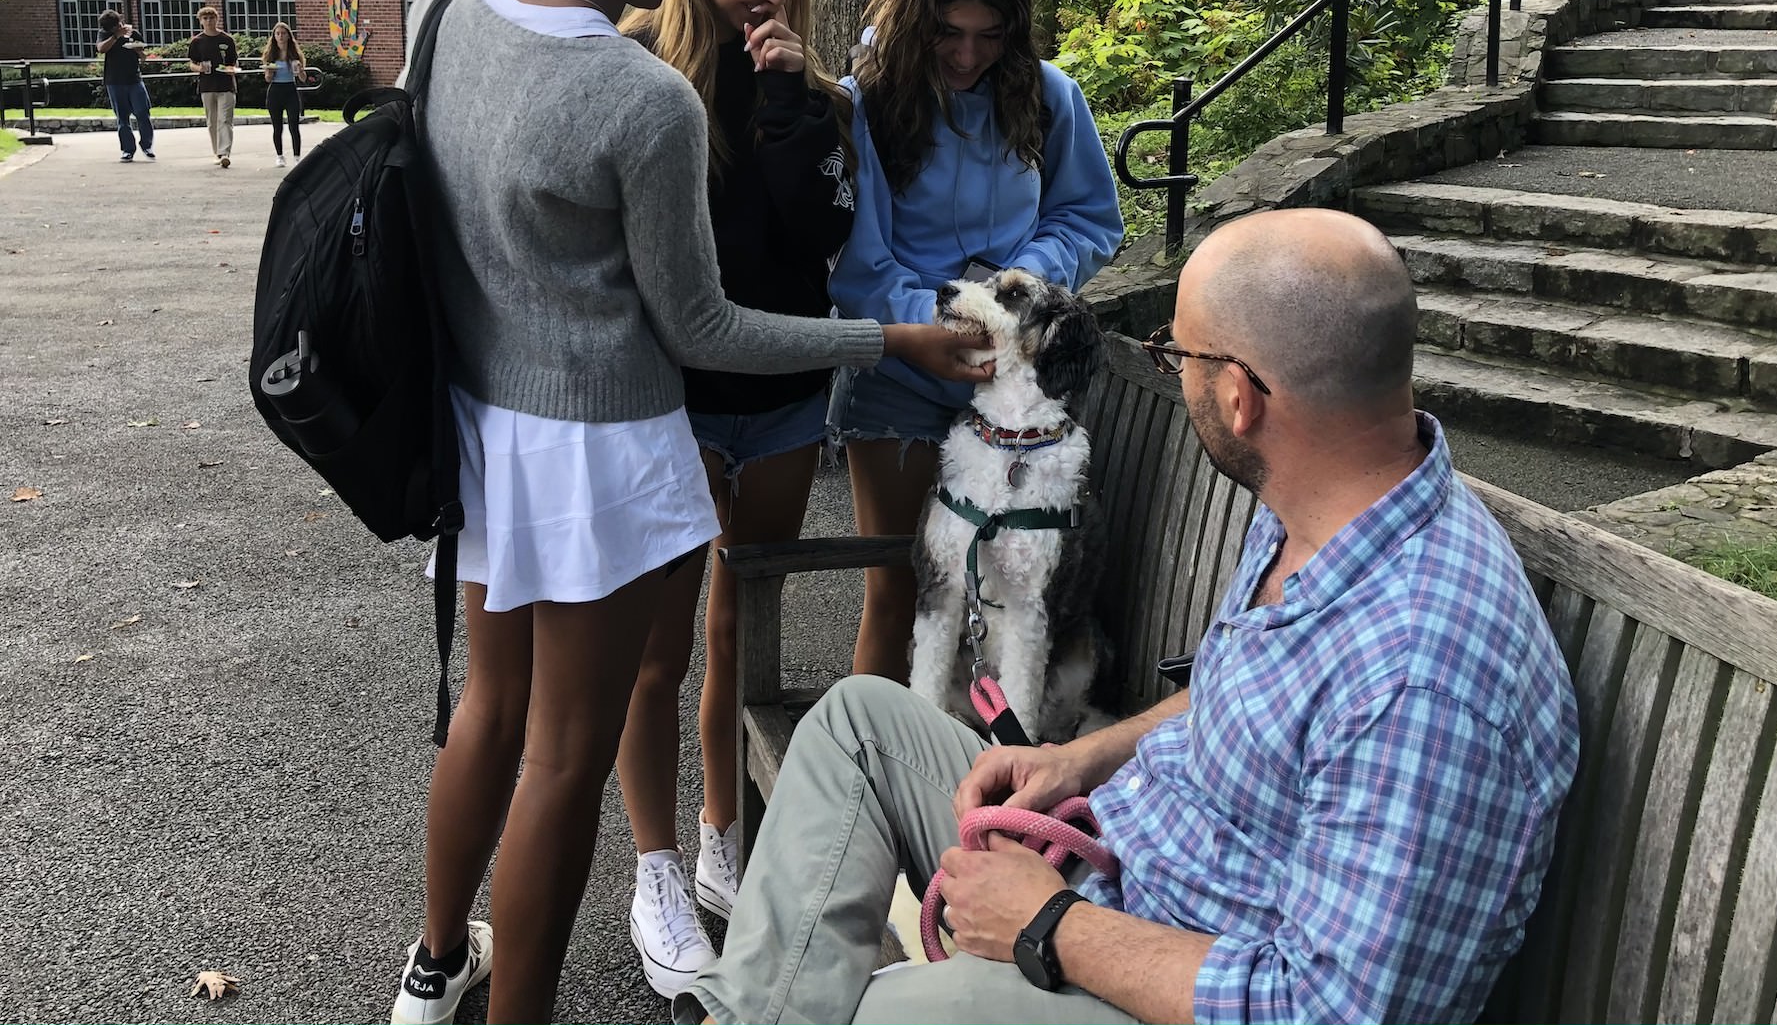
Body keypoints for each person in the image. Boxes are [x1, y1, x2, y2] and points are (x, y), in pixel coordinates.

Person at [388, 0, 994, 1025]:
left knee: (489, 713)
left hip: (486, 431)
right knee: (565, 752)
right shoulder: (640, 97)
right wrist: (885, 338)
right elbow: (701, 326)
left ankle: (436, 965)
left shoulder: (444, 15)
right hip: (601, 450)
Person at [676, 208, 1582, 1025]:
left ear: (1239, 396)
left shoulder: (1422, 676)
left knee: (869, 1013)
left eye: (1176, 355)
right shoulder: (1321, 509)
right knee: (855, 726)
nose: (1170, 371)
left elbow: (1330, 1008)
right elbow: (1245, 697)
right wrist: (1080, 756)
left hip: (1153, 976)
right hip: (1118, 866)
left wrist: (1050, 926)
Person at [613, 0, 851, 995]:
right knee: (652, 648)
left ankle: (718, 833)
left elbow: (818, 241)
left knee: (736, 629)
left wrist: (785, 102)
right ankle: (654, 869)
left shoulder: (802, 90)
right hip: (675, 405)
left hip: (784, 398)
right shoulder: (634, 70)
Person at [829, 0, 1123, 681]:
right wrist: (927, 325)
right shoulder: (869, 103)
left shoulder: (1051, 96)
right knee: (902, 590)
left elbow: (1090, 218)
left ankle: (980, 781)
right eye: (948, 32)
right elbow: (859, 261)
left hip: (1015, 388)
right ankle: (885, 774)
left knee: (1014, 592)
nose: (967, 56)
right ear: (916, 14)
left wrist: (1014, 286)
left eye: (989, 36)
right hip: (900, 378)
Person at [96, 9, 154, 162]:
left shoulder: (133, 33)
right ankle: (128, 150)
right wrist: (116, 36)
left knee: (143, 112)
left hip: (134, 79)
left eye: (116, 26)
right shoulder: (106, 34)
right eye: (112, 29)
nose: (116, 28)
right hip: (114, 81)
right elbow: (101, 48)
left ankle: (147, 145)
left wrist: (137, 50)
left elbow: (144, 57)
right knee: (122, 118)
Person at [186, 5, 238, 168]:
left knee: (225, 119)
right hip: (207, 86)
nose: (209, 21)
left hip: (226, 85)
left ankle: (224, 152)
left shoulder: (227, 39)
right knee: (212, 121)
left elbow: (233, 62)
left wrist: (231, 70)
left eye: (211, 18)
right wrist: (199, 68)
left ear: (217, 19)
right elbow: (191, 64)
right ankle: (216, 152)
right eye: (205, 18)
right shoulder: (197, 41)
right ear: (201, 21)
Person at [263, 20, 305, 168]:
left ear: (288, 36)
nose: (280, 36)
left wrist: (300, 70)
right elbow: (267, 79)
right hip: (275, 91)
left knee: (294, 124)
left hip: (290, 90)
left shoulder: (294, 54)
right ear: (274, 36)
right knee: (277, 126)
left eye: (283, 33)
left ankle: (297, 156)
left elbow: (302, 78)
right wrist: (269, 72)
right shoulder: (270, 54)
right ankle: (280, 155)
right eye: (278, 34)